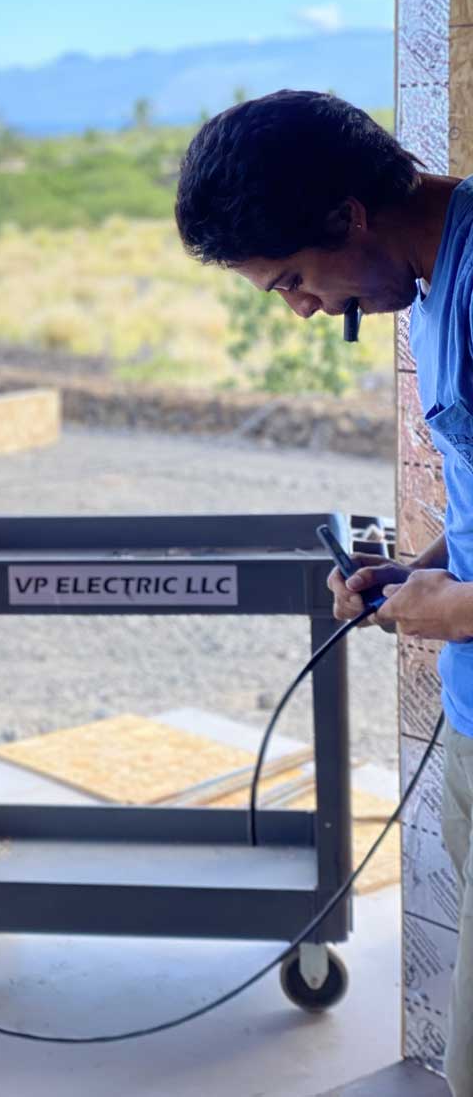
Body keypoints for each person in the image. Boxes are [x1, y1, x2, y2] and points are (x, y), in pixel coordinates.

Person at [175, 88, 473, 1095]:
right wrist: (423, 569)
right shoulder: (432, 282)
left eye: (295, 280)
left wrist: (455, 611)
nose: (302, 309)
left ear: (348, 215)